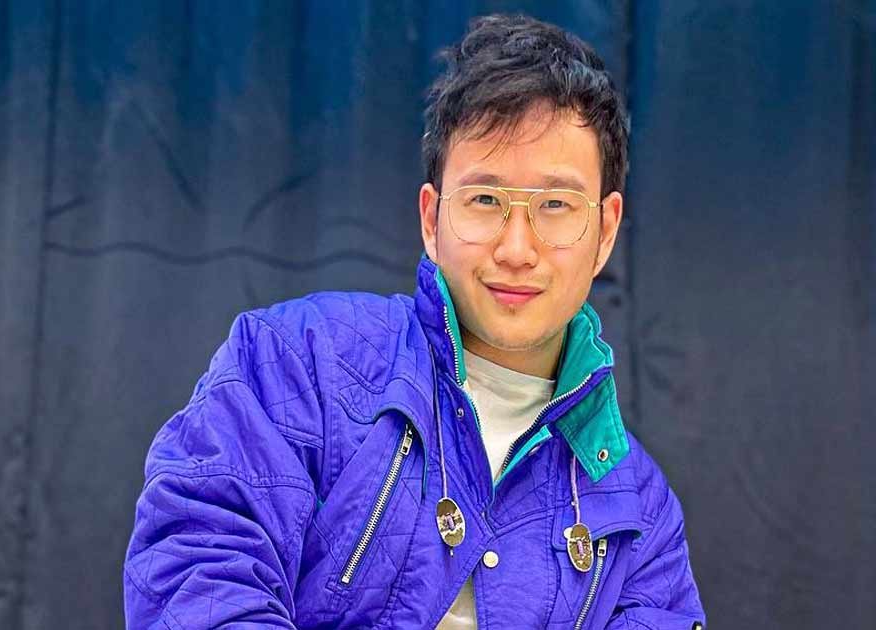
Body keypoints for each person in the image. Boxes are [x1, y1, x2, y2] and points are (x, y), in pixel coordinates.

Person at [123, 14, 705, 629]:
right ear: (431, 220)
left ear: (606, 231)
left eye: (556, 205)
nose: (517, 248)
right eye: (485, 200)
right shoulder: (300, 361)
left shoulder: (640, 513)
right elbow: (200, 568)